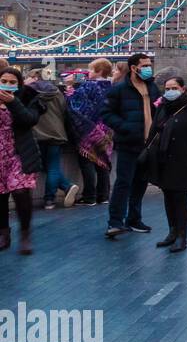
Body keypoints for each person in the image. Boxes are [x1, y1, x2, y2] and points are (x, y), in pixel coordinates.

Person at [144, 76, 187, 253]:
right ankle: (172, 233)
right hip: (163, 160)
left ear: (183, 89)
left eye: (174, 88)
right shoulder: (162, 108)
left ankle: (182, 236)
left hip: (182, 162)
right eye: (167, 89)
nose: (170, 92)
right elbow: (154, 131)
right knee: (168, 197)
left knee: (180, 199)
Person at [102, 52, 160, 238]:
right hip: (128, 143)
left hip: (148, 144)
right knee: (123, 183)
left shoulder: (153, 88)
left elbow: (160, 110)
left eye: (149, 65)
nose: (148, 68)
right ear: (134, 68)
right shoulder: (118, 89)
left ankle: (134, 219)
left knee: (141, 183)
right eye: (144, 65)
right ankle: (115, 222)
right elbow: (106, 113)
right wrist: (124, 127)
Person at [0, 68, 42, 254]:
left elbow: (29, 120)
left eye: (11, 82)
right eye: (3, 80)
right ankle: (3, 233)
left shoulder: (29, 98)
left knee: (21, 192)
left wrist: (13, 103)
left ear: (19, 84)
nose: (7, 85)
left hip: (19, 153)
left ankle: (25, 235)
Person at [29, 67, 79, 209]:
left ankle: (57, 193)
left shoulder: (30, 92)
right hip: (56, 134)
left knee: (47, 166)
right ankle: (53, 197)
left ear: (35, 77)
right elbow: (64, 111)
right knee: (52, 166)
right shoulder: (57, 92)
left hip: (36, 134)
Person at [67, 58, 114, 206]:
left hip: (89, 130)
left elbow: (76, 106)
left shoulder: (88, 86)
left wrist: (69, 89)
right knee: (103, 162)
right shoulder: (112, 87)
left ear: (99, 71)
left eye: (91, 69)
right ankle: (104, 196)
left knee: (87, 163)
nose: (89, 72)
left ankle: (89, 197)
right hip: (107, 130)